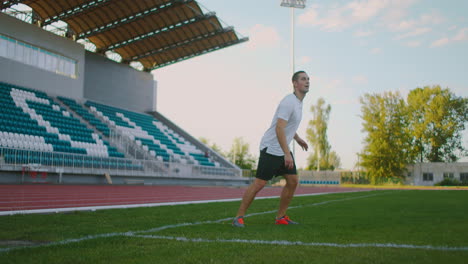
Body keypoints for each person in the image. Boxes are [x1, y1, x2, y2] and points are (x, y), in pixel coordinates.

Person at [232, 71, 310, 227]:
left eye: (308, 79)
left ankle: (280, 217)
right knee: (259, 184)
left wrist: (298, 138)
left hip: (283, 149)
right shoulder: (288, 102)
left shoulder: (299, 103)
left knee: (293, 181)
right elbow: (279, 129)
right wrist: (287, 154)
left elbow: (287, 126)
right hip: (272, 148)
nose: (307, 81)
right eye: (303, 79)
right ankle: (238, 217)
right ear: (295, 83)